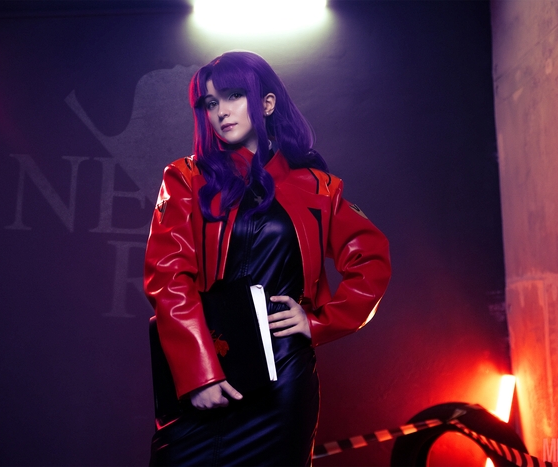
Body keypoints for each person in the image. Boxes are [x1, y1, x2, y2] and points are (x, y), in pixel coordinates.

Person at [143, 51, 391, 466]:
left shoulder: (318, 188)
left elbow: (371, 259)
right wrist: (200, 374)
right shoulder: (185, 178)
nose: (221, 112)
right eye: (210, 103)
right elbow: (168, 279)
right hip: (203, 375)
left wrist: (319, 322)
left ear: (267, 103)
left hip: (282, 381)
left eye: (233, 96)